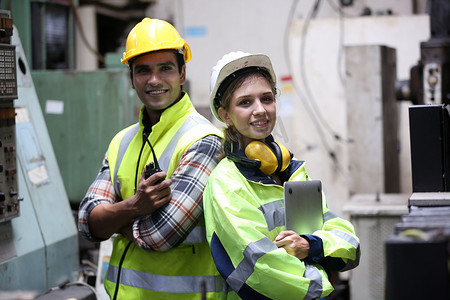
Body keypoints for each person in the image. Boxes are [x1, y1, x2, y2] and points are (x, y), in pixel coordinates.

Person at [78, 18, 226, 299]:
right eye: (143, 70)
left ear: (182, 74)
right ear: (132, 78)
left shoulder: (203, 141)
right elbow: (87, 222)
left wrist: (114, 220)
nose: (154, 80)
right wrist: (136, 206)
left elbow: (160, 235)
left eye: (165, 68)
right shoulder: (121, 142)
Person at [203, 51, 361, 299]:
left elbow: (347, 241)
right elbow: (264, 268)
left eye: (266, 99)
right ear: (225, 115)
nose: (260, 110)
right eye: (245, 102)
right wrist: (325, 280)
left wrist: (311, 246)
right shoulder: (226, 182)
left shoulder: (291, 171)